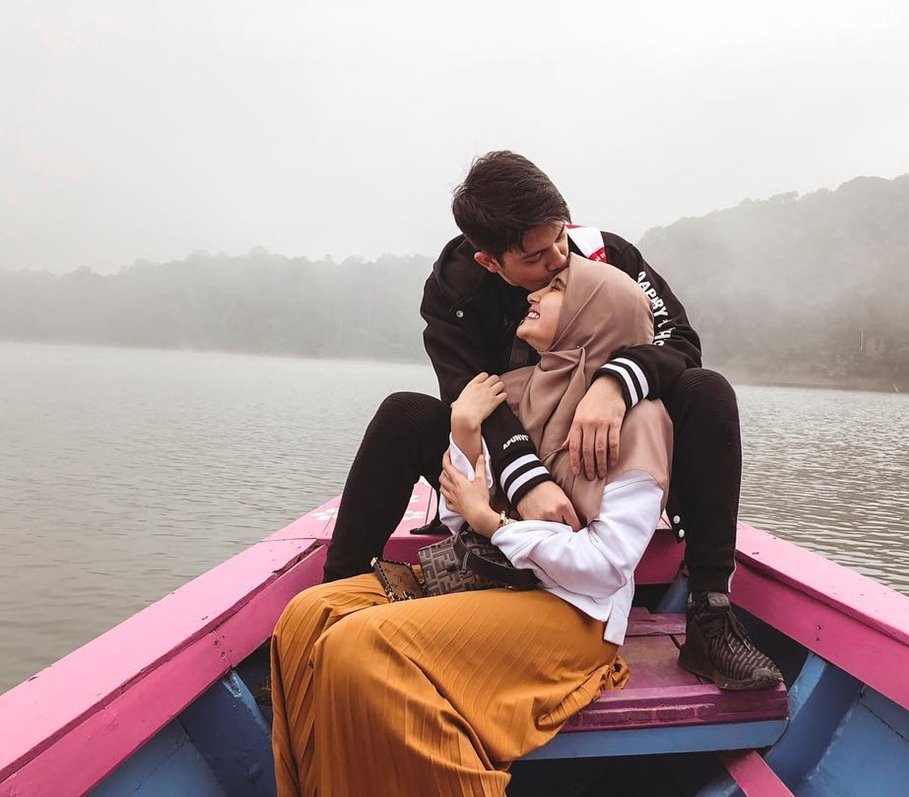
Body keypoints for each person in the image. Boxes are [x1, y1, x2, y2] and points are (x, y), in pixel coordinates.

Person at [320, 150, 780, 690]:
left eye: (561, 236)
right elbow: (471, 395)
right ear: (490, 262)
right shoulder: (455, 292)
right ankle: (336, 601)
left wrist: (614, 383)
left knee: (707, 390)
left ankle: (711, 615)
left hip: (608, 455)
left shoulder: (607, 254)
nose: (560, 260)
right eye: (536, 258)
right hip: (511, 448)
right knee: (404, 413)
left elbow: (680, 341)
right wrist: (527, 480)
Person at [271, 258, 672, 796]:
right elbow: (465, 518)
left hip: (576, 614)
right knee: (310, 614)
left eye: (556, 288)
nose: (533, 295)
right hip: (500, 582)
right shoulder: (515, 391)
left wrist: (496, 523)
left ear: (592, 316)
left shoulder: (638, 422)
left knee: (362, 646)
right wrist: (464, 432)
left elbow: (605, 569)